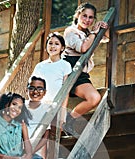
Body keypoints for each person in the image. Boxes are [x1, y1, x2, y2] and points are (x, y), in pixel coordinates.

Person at [63, 2, 109, 130]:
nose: (87, 20)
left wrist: (104, 27)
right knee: (94, 97)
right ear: (77, 15)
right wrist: (94, 33)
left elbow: (108, 38)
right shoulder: (70, 31)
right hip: (70, 70)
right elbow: (83, 48)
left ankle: (69, 120)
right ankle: (64, 122)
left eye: (91, 17)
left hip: (80, 73)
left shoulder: (89, 33)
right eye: (84, 16)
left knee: (94, 98)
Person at [31, 32, 72, 124]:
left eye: (57, 44)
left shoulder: (65, 65)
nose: (53, 46)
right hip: (40, 107)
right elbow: (33, 88)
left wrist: (62, 114)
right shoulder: (40, 66)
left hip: (56, 107)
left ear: (62, 48)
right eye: (50, 43)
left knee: (52, 135)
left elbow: (66, 91)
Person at [24, 76, 50, 159]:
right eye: (32, 88)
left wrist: (30, 152)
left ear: (44, 92)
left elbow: (46, 136)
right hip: (18, 150)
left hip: (35, 152)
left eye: (40, 89)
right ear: (27, 90)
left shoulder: (46, 110)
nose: (35, 92)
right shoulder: (20, 107)